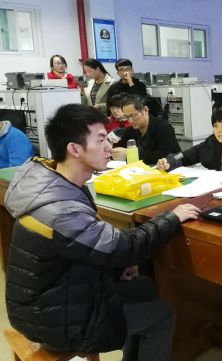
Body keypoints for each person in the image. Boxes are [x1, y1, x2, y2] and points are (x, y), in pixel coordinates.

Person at [4, 104, 200, 360]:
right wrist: (172, 217)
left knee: (144, 288)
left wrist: (114, 270)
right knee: (162, 315)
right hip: (52, 319)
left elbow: (77, 249)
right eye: (100, 140)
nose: (108, 146)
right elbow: (126, 247)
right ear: (74, 149)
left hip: (48, 299)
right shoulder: (61, 210)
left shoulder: (54, 183)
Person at [157, 105, 222, 172]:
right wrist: (168, 162)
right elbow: (185, 156)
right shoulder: (211, 143)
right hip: (217, 187)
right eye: (215, 126)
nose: (219, 130)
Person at [112, 95, 180, 164]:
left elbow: (164, 155)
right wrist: (109, 147)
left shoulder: (164, 128)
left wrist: (131, 154)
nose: (130, 121)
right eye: (126, 117)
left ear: (145, 110)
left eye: (133, 116)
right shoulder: (130, 131)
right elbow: (119, 148)